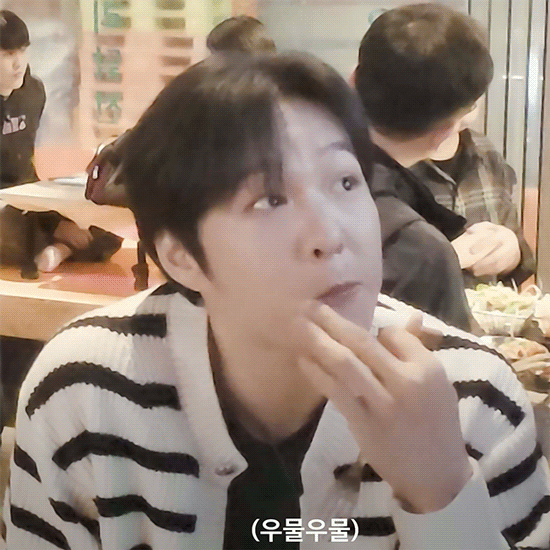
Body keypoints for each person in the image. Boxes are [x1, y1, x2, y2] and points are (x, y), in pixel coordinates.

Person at [5, 52, 550, 549]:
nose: (330, 235)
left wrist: (443, 494)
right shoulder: (86, 387)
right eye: (269, 198)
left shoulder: (471, 396)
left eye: (345, 182)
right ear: (180, 256)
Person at [354, 3, 533, 329]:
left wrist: (513, 249)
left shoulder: (308, 167)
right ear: (450, 126)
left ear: (353, 79)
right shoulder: (420, 248)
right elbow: (452, 354)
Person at [410, 106, 535, 287]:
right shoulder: (380, 161)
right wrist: (445, 260)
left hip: (486, 303)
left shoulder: (486, 152)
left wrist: (513, 253)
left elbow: (520, 257)